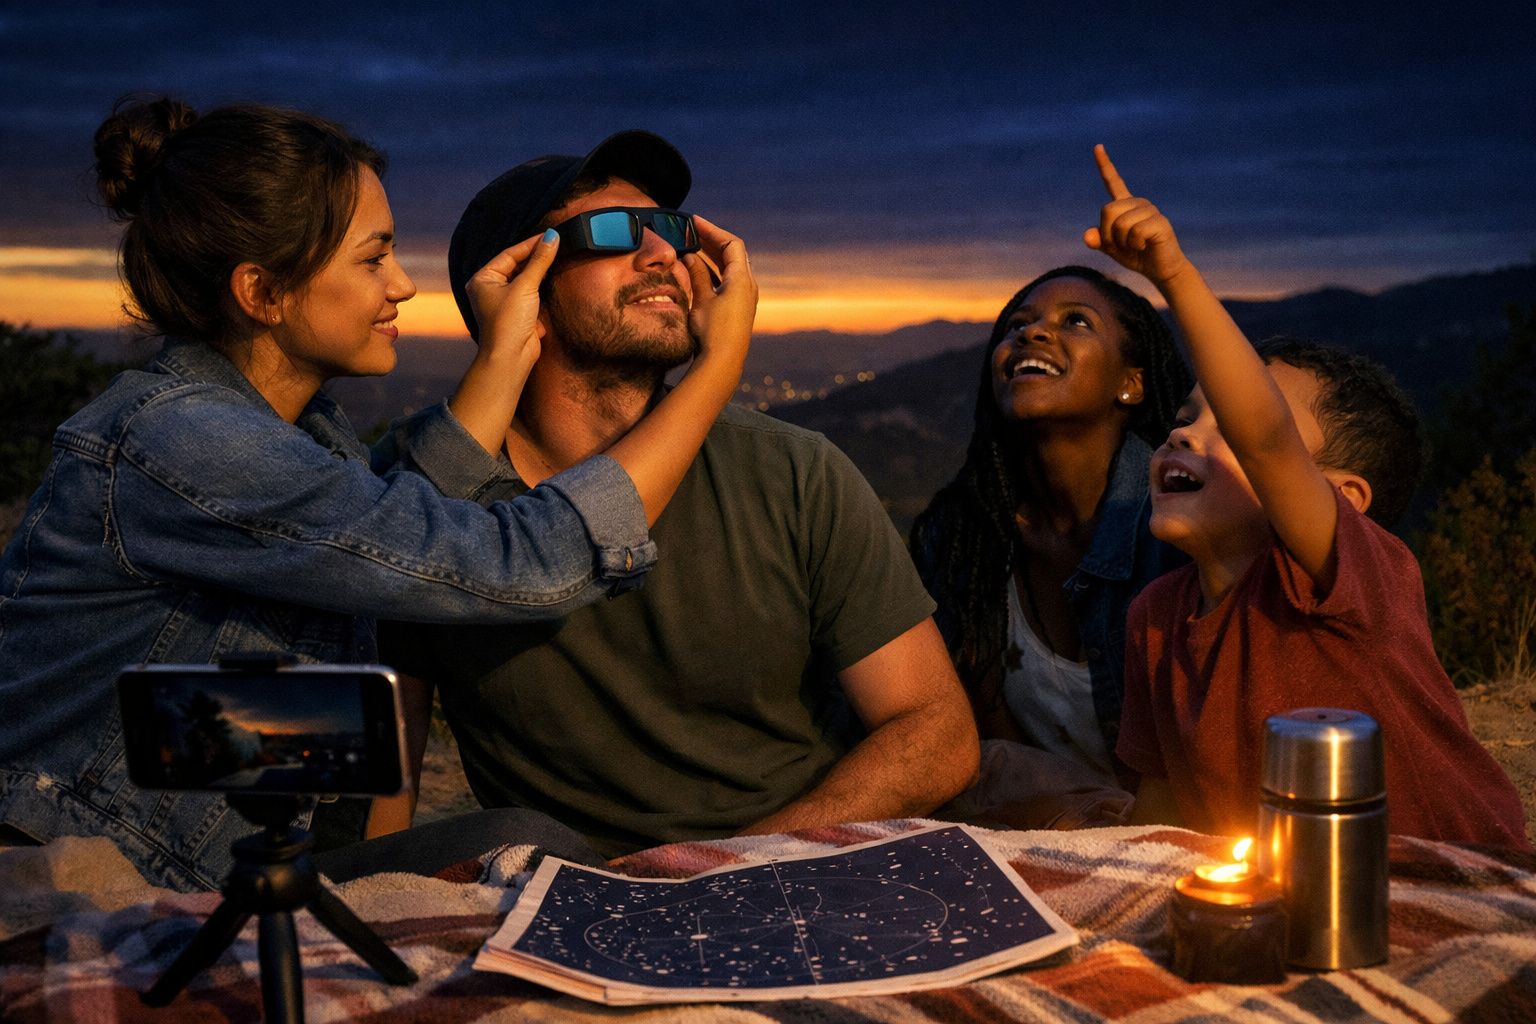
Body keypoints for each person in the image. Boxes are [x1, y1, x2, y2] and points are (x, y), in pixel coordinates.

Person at [0, 98, 757, 891]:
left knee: (526, 846)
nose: (401, 286)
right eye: (373, 259)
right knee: (532, 853)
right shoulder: (183, 441)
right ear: (263, 293)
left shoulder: (303, 435)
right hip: (82, 869)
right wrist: (715, 370)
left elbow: (404, 531)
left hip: (225, 852)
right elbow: (516, 566)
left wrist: (508, 354)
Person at [380, 131, 980, 858]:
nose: (663, 254)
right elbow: (385, 761)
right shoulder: (422, 492)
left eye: (670, 230)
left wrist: (720, 868)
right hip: (566, 891)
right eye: (610, 232)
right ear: (514, 290)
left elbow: (935, 732)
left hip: (796, 857)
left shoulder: (792, 472)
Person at [1086, 146, 1528, 847]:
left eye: (1221, 421)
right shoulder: (1155, 620)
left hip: (1449, 880)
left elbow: (1265, 439)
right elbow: (1164, 809)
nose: (1183, 438)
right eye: (1182, 419)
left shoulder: (1352, 582)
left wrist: (1173, 274)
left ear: (1342, 498)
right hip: (1293, 896)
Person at [909, 262, 1190, 827]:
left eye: (1076, 322)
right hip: (1031, 840)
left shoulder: (1178, 532)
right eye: (1018, 323)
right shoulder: (964, 535)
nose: (1031, 333)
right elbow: (975, 747)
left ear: (1130, 383)